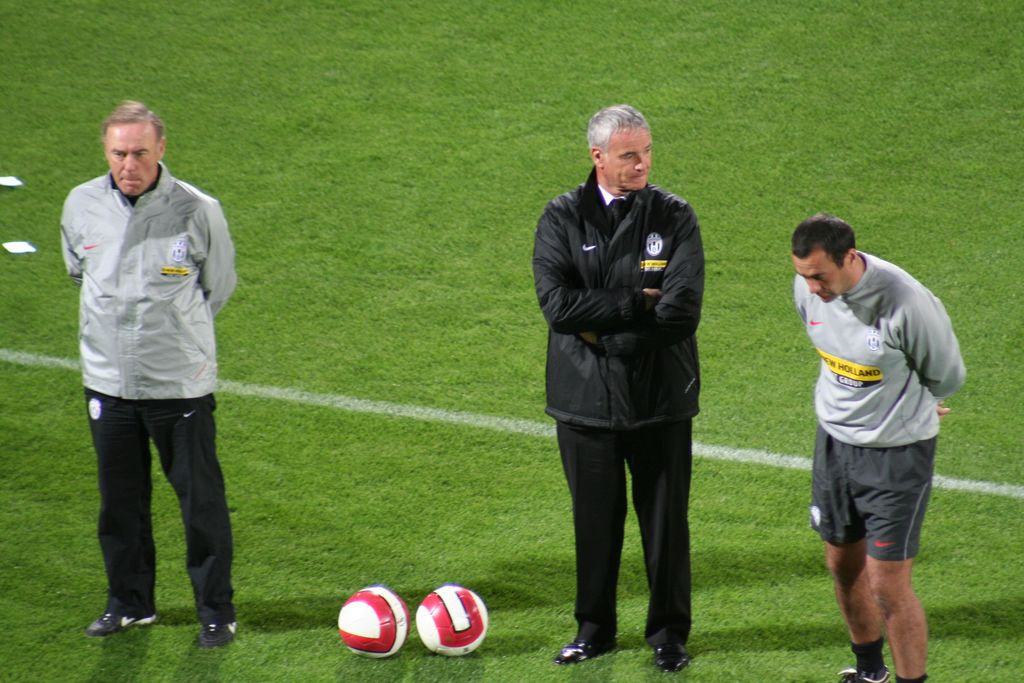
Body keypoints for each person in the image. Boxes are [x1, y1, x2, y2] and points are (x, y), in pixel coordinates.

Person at [532, 104, 704, 673]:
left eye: (647, 152)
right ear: (597, 157)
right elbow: (558, 306)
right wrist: (633, 302)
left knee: (665, 526)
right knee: (594, 524)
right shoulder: (561, 217)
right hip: (585, 403)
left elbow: (681, 311)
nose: (642, 164)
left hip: (660, 401)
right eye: (629, 155)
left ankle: (669, 636)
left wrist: (607, 336)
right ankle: (594, 630)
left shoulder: (674, 216)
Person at [60, 101, 238, 648]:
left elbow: (218, 285)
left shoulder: (197, 209)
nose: (128, 164)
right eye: (118, 153)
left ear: (161, 149)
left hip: (178, 385)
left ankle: (216, 612)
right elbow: (78, 271)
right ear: (105, 151)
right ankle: (129, 604)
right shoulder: (81, 204)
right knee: (119, 505)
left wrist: (174, 336)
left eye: (139, 152)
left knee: (200, 505)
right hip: (107, 384)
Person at [790, 214, 965, 683]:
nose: (812, 288)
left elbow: (947, 375)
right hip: (834, 443)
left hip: (895, 455)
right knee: (841, 566)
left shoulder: (905, 302)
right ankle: (870, 672)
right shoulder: (807, 288)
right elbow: (829, 346)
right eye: (804, 276)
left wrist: (915, 402)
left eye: (820, 276)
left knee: (887, 585)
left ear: (849, 257)